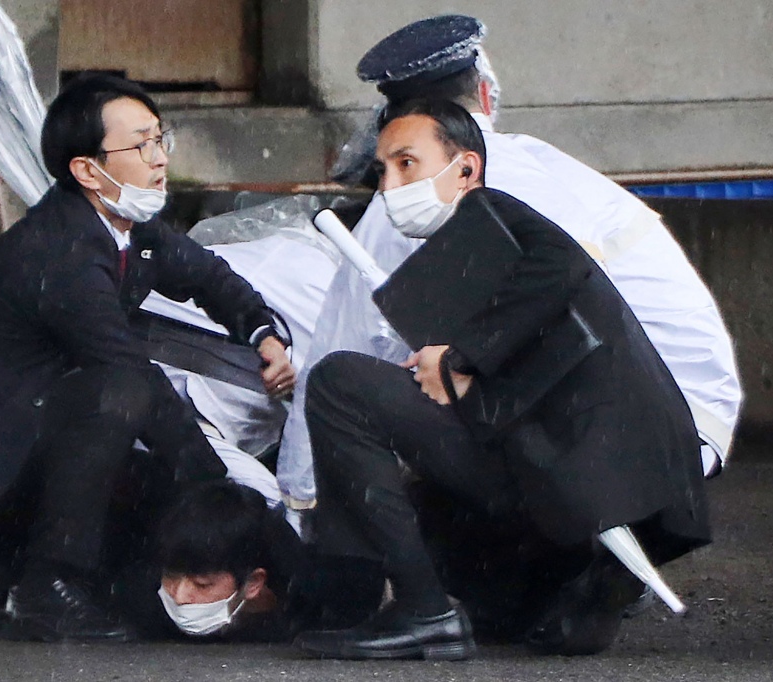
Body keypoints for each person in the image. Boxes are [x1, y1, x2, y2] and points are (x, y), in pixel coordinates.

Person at [0, 73, 295, 641]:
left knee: (144, 482)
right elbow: (128, 375)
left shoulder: (128, 228)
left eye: (159, 139)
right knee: (119, 399)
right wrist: (216, 495)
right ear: (87, 170)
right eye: (139, 146)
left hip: (20, 418)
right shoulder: (64, 253)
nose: (158, 159)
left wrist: (265, 334)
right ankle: (45, 583)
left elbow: (210, 277)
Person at [293, 99, 710, 660]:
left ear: (466, 169)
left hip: (573, 471)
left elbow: (559, 269)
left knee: (339, 382)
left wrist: (459, 360)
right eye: (383, 171)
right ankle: (547, 595)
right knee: (506, 606)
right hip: (561, 480)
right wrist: (449, 373)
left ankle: (420, 610)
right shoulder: (460, 248)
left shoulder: (494, 217)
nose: (390, 185)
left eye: (407, 164)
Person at [277, 15, 742, 512]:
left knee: (361, 390)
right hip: (694, 417)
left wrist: (300, 499)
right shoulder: (534, 159)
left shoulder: (437, 184)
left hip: (630, 435)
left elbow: (348, 337)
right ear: (483, 93)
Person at [110, 479, 383, 642]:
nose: (179, 596)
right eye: (170, 577)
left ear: (253, 582)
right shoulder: (134, 597)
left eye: (202, 584)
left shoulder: (320, 603)